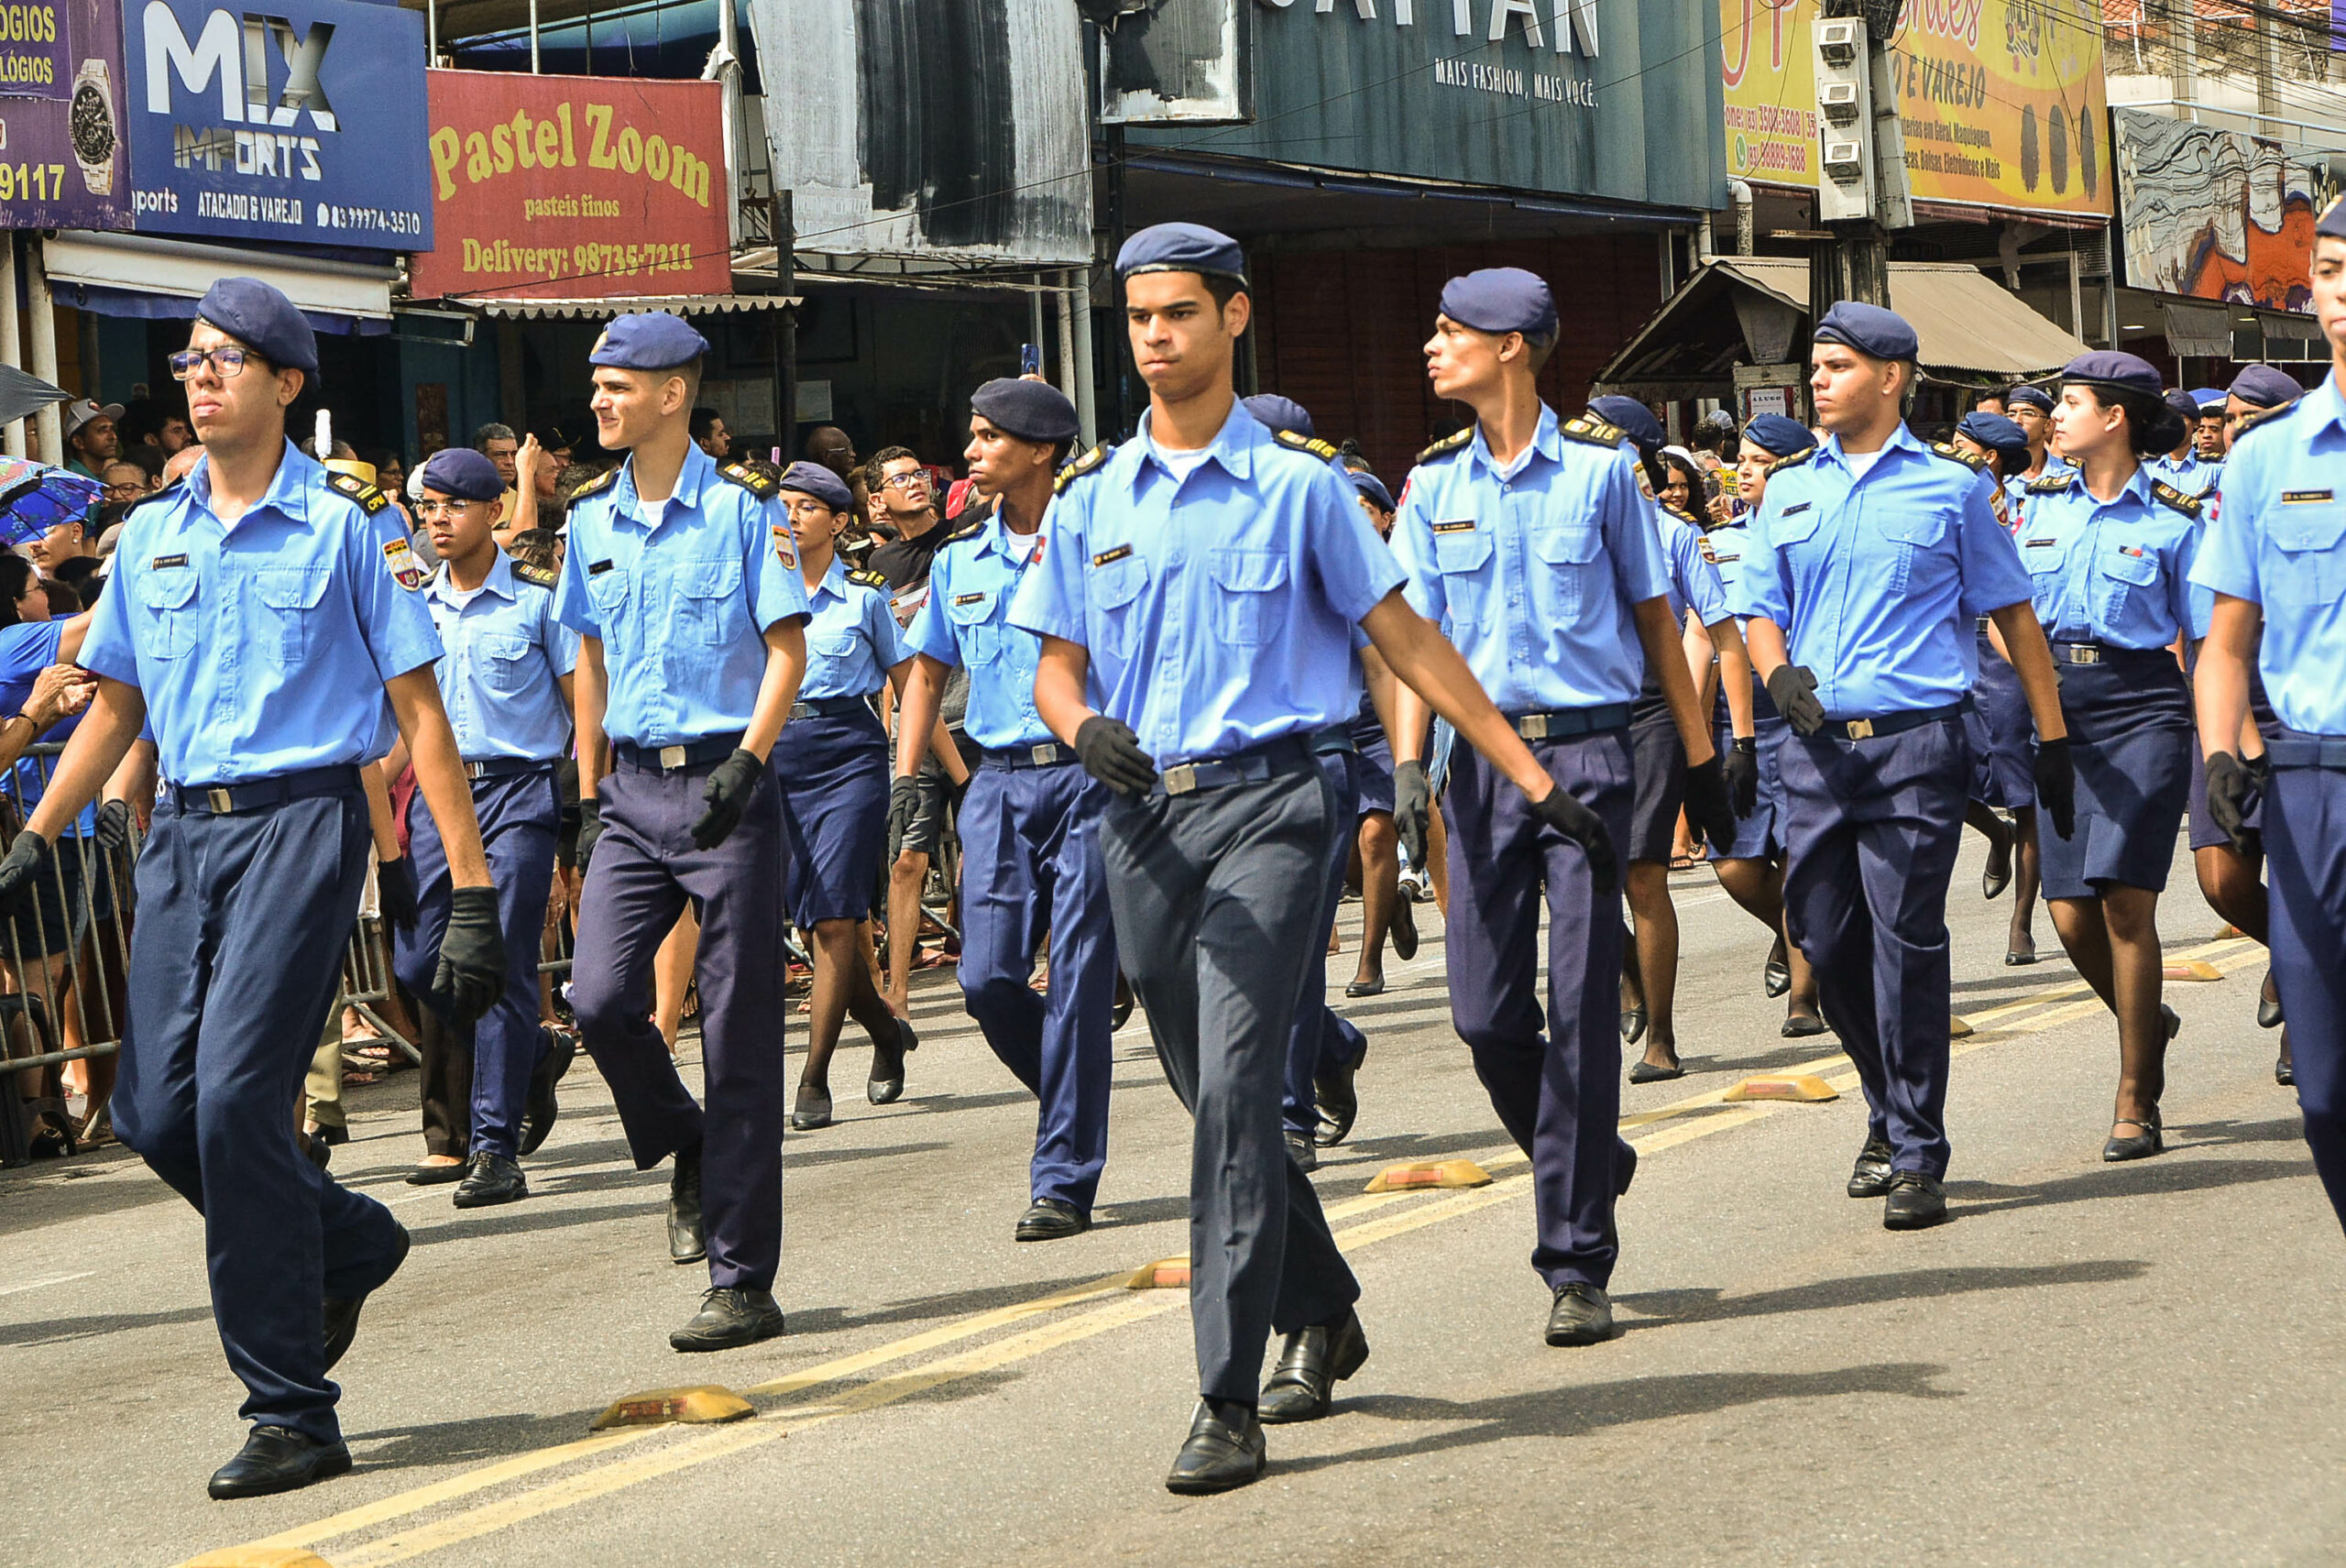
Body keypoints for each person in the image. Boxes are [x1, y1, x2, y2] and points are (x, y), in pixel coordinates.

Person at [1012, 225, 1612, 1493]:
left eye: (1179, 312)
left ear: (1233, 318)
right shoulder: (1092, 499)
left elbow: (1409, 639)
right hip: (1141, 820)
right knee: (1208, 1097)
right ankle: (1325, 1303)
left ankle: (1226, 1395)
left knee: (1239, 1092)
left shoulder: (1301, 490)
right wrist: (1080, 727)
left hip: (1275, 808)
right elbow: (1055, 666)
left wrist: (1531, 777)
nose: (1155, 335)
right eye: (1139, 316)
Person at [0, 277, 507, 1497]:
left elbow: (421, 717)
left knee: (234, 1103)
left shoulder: (346, 529)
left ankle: (291, 1409)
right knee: (152, 1113)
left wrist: (472, 887)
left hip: (301, 822)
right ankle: (348, 1235)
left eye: (229, 358)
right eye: (191, 358)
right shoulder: (150, 536)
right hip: (183, 833)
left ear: (286, 382)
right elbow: (116, 706)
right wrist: (34, 837)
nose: (202, 376)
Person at [1383, 276, 1737, 1355]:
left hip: (1589, 755)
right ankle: (1586, 1151)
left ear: (1513, 347)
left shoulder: (1599, 474)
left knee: (1581, 1007)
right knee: (1484, 1015)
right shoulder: (1430, 482)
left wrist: (1700, 761)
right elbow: (1411, 641)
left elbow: (1656, 618)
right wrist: (1408, 766)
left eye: (1452, 331)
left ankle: (1576, 1258)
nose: (1433, 344)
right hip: (1480, 768)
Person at [1733, 301, 2071, 1232]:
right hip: (1814, 748)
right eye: (1816, 367)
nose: (1818, 381)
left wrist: (2051, 739)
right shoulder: (1788, 491)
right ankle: (1885, 1102)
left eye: (1837, 366)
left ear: (1891, 378)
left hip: (1918, 745)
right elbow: (1759, 607)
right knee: (1822, 936)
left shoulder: (1950, 490)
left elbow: (2012, 614)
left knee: (1906, 939)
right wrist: (1777, 675)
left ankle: (1917, 1148)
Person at [556, 312, 811, 1353]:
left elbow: (787, 650)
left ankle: (741, 1279)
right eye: (596, 384)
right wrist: (587, 796)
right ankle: (685, 1139)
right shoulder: (588, 520)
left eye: (618, 385)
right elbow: (589, 662)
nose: (600, 400)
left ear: (672, 395)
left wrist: (750, 760)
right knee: (598, 998)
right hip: (631, 790)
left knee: (738, 1031)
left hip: (726, 784)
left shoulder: (746, 509)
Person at [893, 377, 1117, 1240]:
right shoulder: (960, 560)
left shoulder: (1097, 547)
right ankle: (1070, 1089)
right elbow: (927, 674)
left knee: (1079, 980)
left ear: (1041, 450)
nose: (972, 451)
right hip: (995, 783)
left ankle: (1062, 1177)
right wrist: (906, 778)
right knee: (986, 979)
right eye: (974, 435)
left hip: (1088, 776)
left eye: (989, 437)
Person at [2193, 206, 2346, 1231]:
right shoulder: (2265, 460)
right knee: (2326, 1086)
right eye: (2329, 270)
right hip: (2312, 786)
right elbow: (2225, 644)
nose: (2345, 290)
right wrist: (2222, 753)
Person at [385, 448, 580, 1206]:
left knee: (498, 964)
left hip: (516, 793)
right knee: (417, 963)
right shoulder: (414, 604)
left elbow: (581, 708)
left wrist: (581, 812)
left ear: (495, 510)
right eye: (427, 507)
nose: (438, 520)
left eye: (454, 505)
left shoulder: (537, 600)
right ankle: (532, 1052)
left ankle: (494, 1147)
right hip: (437, 800)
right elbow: (401, 721)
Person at [2023, 354, 2204, 1158]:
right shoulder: (2036, 508)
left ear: (2115, 417)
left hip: (2143, 708)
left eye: (2070, 403)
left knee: (2125, 901)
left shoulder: (2174, 518)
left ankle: (2136, 1095)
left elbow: (2205, 639)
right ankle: (2147, 1019)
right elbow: (2009, 618)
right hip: (2058, 709)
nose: (2055, 416)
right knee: (2069, 914)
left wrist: (2222, 743)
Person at [1586, 396, 1752, 1084]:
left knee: (1642, 872)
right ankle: (1628, 968)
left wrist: (1734, 741)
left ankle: (1661, 1034)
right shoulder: (1568, 521)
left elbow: (1721, 632)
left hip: (1653, 708)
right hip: (1584, 711)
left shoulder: (1674, 535)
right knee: (1580, 873)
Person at [768, 460, 920, 1128]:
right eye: (785, 506)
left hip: (848, 755)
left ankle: (813, 1075)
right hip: (778, 756)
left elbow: (912, 686)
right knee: (811, 922)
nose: (792, 517)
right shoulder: (758, 591)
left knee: (836, 917)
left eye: (807, 506)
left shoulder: (864, 596)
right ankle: (886, 1031)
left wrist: (918, 774)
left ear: (838, 522)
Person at [1703, 412, 1826, 1037]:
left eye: (1759, 462)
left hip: (1802, 711)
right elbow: (1705, 633)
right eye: (1741, 460)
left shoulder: (1815, 530)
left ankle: (1804, 998)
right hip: (1739, 718)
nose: (1744, 471)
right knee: (1735, 863)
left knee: (1798, 855)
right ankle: (1796, 928)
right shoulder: (1719, 541)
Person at [864, 445, 974, 1010]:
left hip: (978, 718)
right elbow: (898, 669)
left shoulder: (964, 535)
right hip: (918, 729)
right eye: (899, 479)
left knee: (991, 850)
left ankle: (1040, 964)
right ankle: (898, 993)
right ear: (877, 500)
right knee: (907, 858)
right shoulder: (879, 569)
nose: (914, 483)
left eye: (918, 474)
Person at [1951, 410, 2045, 966]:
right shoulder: (1946, 496)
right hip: (1963, 647)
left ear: (1986, 457)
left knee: (2023, 792)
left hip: (2011, 653)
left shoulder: (2029, 507)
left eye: (1958, 443)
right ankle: (1994, 834)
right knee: (1946, 773)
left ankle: (2021, 921)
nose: (1947, 449)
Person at [63, 400, 123, 480]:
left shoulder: (110, 477)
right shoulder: (70, 481)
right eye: (102, 430)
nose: (113, 437)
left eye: (113, 429)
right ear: (78, 442)